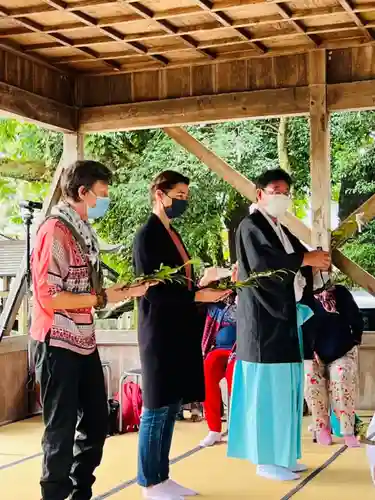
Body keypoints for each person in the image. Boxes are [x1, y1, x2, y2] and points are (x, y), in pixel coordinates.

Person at [30, 160, 151, 500]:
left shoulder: (82, 231)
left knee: (97, 422)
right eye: (101, 194)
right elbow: (49, 297)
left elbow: (93, 291)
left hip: (83, 340)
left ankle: (79, 490)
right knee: (60, 429)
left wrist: (124, 292)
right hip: (56, 341)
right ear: (82, 192)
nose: (104, 200)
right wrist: (101, 297)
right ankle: (55, 494)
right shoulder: (55, 231)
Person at [227, 168, 331, 482]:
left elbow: (295, 258)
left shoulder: (278, 227)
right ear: (260, 194)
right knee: (267, 395)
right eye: (275, 189)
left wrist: (311, 261)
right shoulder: (250, 225)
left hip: (283, 319)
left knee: (287, 391)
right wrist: (305, 260)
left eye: (286, 190)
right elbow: (263, 265)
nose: (282, 195)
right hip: (263, 322)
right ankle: (265, 459)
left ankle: (284, 455)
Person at [133, 170, 230, 500]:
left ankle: (163, 476)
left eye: (187, 197)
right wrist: (195, 296)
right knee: (155, 407)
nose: (183, 202)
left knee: (171, 405)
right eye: (179, 196)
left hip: (178, 330)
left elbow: (179, 284)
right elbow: (152, 290)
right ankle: (149, 481)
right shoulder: (147, 235)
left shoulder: (172, 233)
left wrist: (203, 287)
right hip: (159, 331)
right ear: (160, 195)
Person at [304, 280, 363, 447]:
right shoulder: (303, 295)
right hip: (313, 352)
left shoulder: (340, 292)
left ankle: (348, 430)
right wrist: (308, 351)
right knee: (311, 381)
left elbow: (356, 318)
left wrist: (354, 339)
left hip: (341, 350)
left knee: (342, 377)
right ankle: (322, 427)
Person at [200, 293, 237, 447]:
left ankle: (235, 429)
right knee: (206, 370)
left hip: (239, 349)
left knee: (233, 376)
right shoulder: (214, 301)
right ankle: (214, 429)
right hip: (217, 348)